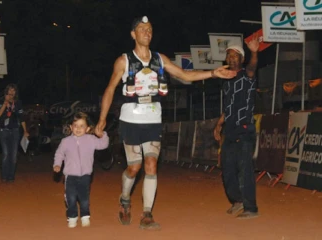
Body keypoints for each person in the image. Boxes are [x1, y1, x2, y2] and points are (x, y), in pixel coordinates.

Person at [94, 16, 236, 230]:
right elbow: (110, 88)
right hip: (130, 120)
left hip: (153, 120)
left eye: (150, 29)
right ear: (133, 34)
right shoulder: (124, 60)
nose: (147, 32)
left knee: (151, 165)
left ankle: (147, 214)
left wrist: (213, 72)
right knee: (134, 168)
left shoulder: (160, 59)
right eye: (142, 29)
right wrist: (102, 118)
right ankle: (125, 198)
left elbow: (185, 76)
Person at [213, 36, 260, 219]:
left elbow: (252, 67)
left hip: (245, 128)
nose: (232, 58)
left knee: (245, 167)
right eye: (229, 56)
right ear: (226, 59)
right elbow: (228, 107)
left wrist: (254, 52)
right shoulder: (227, 82)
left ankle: (251, 207)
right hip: (230, 130)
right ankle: (237, 201)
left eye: (236, 56)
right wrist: (219, 124)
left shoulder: (246, 76)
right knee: (227, 168)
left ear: (241, 59)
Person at [53, 112, 109, 228]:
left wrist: (102, 134)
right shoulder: (66, 142)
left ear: (88, 128)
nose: (78, 128)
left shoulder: (91, 139)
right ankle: (72, 217)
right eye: (75, 125)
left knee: (84, 198)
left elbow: (103, 145)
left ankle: (85, 216)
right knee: (71, 197)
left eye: (82, 126)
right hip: (70, 175)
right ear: (70, 127)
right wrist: (57, 164)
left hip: (85, 175)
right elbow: (59, 154)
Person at [0, 84, 29, 183]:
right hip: (4, 130)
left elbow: (21, 118)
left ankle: (11, 176)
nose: (11, 92)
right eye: (10, 90)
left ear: (16, 92)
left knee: (14, 155)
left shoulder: (18, 103)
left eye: (13, 90)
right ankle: (4, 175)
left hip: (15, 130)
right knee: (6, 154)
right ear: (6, 91)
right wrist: (5, 103)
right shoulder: (1, 101)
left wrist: (25, 131)